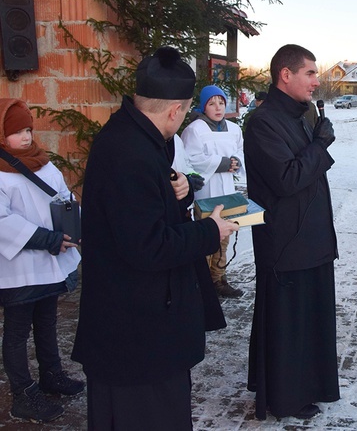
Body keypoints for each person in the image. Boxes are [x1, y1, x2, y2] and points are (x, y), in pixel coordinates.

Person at [72, 47, 238, 429]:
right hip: (136, 338)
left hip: (140, 328)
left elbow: (143, 208)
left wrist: (177, 187)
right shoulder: (130, 153)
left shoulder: (135, 137)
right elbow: (148, 247)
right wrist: (211, 231)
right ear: (175, 111)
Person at [243, 44, 340, 420]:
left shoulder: (301, 116)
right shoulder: (264, 122)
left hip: (312, 238)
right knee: (288, 324)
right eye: (311, 73)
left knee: (310, 321)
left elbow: (308, 172)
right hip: (285, 243)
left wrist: (316, 140)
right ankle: (284, 395)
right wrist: (319, 145)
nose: (317, 81)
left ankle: (309, 386)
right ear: (286, 74)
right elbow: (286, 179)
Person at [0, 99, 83, 423]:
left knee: (47, 321)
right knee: (17, 331)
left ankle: (52, 374)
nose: (24, 137)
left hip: (50, 263)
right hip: (18, 269)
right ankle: (23, 394)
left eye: (27, 130)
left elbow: (64, 199)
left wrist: (76, 227)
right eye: (16, 132)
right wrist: (45, 239)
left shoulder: (44, 165)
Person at [182, 85, 246, 298]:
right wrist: (221, 163)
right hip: (207, 192)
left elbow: (240, 151)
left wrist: (236, 162)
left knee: (224, 237)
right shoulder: (195, 129)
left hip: (226, 189)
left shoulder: (234, 129)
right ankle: (202, 284)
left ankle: (218, 279)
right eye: (212, 103)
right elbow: (190, 159)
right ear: (203, 106)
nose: (218, 108)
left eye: (221, 102)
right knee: (207, 237)